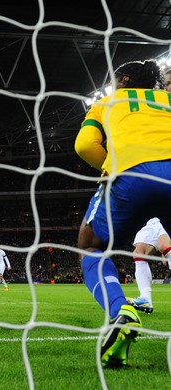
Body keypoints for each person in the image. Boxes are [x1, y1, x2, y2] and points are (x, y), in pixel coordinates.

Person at [74, 59, 171, 367]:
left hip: (130, 176)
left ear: (125, 79)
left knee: (90, 247)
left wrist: (109, 165)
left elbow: (84, 145)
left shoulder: (105, 102)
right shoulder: (168, 100)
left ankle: (120, 309)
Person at [126, 218, 171, 313]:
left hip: (165, 213)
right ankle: (145, 299)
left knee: (164, 246)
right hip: (151, 218)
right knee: (139, 253)